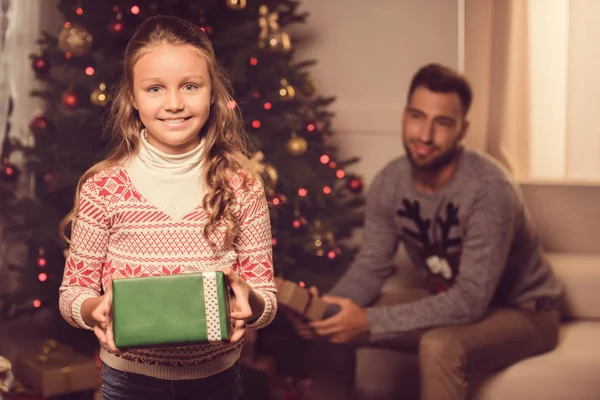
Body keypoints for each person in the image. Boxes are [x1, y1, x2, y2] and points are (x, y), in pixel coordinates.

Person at [289, 63, 562, 400]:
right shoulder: (390, 182)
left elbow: (471, 300)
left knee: (440, 345)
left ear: (463, 130)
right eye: (417, 117)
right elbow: (371, 266)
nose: (425, 135)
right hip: (448, 297)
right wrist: (328, 306)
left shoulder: (490, 189)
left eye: (442, 123)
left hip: (525, 311)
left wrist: (369, 321)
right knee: (331, 324)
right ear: (404, 116)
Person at [58, 15, 277, 400]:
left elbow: (265, 299)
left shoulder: (242, 185)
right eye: (155, 88)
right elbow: (72, 292)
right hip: (128, 382)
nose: (174, 104)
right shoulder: (104, 187)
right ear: (132, 97)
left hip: (218, 382)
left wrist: (251, 300)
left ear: (211, 93)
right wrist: (95, 309)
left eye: (190, 86)